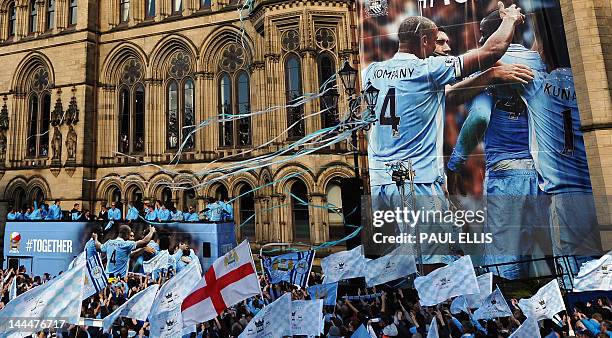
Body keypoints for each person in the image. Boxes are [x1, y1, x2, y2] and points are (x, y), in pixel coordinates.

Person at [362, 2, 526, 264]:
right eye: (436, 42)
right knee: (435, 266)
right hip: (417, 182)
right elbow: (491, 50)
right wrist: (510, 19)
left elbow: (447, 98)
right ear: (425, 40)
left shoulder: (371, 72)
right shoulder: (427, 70)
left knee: (401, 265)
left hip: (381, 183)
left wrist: (491, 75)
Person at [446, 9, 548, 279]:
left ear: (491, 36)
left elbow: (479, 116)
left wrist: (455, 163)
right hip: (545, 171)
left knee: (506, 264)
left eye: (482, 34)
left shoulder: (490, 68)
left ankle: (508, 318)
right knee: (542, 260)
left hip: (507, 171)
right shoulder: (539, 61)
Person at [521, 7, 603, 272]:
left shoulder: (536, 81)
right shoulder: (591, 82)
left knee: (577, 278)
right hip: (599, 190)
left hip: (566, 198)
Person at [92, 224, 156, 278]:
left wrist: (95, 239)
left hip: (108, 277)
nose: (130, 237)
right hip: (119, 279)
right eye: (129, 235)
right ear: (126, 235)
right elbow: (144, 241)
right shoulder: (126, 245)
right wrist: (151, 231)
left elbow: (99, 247)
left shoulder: (109, 242)